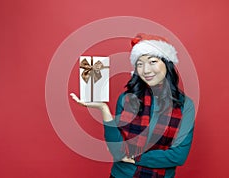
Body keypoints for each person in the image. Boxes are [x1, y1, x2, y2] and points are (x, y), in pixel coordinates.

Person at [70, 33, 195, 178]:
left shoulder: (185, 105)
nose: (146, 70)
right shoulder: (126, 99)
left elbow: (178, 156)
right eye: (140, 64)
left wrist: (135, 157)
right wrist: (103, 109)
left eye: (152, 61)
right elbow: (117, 151)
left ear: (167, 63)